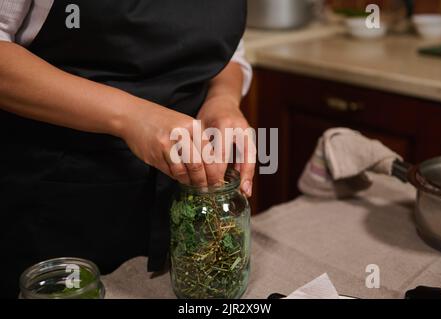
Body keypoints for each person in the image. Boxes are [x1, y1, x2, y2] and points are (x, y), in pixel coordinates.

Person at [0, 0, 254, 298]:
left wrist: (223, 99)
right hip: (59, 201)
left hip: (183, 207)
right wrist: (131, 116)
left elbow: (228, 52)